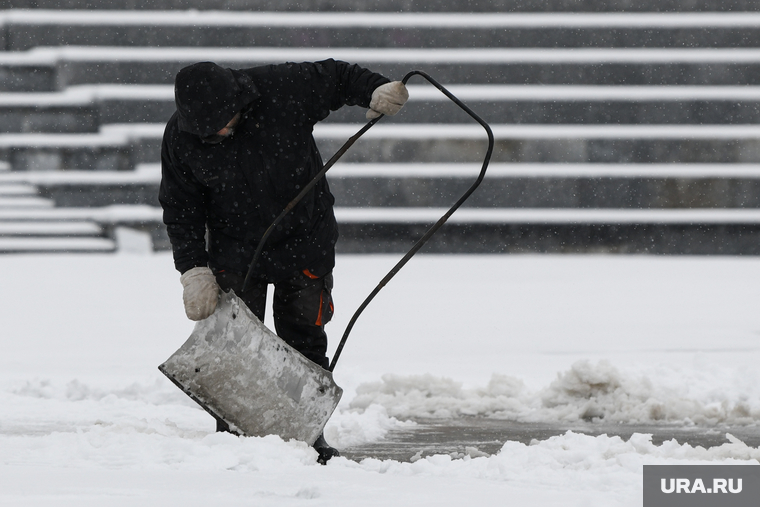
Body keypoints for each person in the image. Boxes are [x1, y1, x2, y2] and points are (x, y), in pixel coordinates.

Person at [159, 60, 408, 464]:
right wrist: (193, 270)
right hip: (237, 252)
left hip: (305, 241)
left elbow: (337, 77)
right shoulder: (181, 138)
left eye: (224, 122)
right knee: (236, 347)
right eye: (208, 130)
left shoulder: (279, 88)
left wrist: (375, 89)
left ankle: (308, 435)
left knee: (305, 342)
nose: (219, 133)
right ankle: (234, 435)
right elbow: (180, 208)